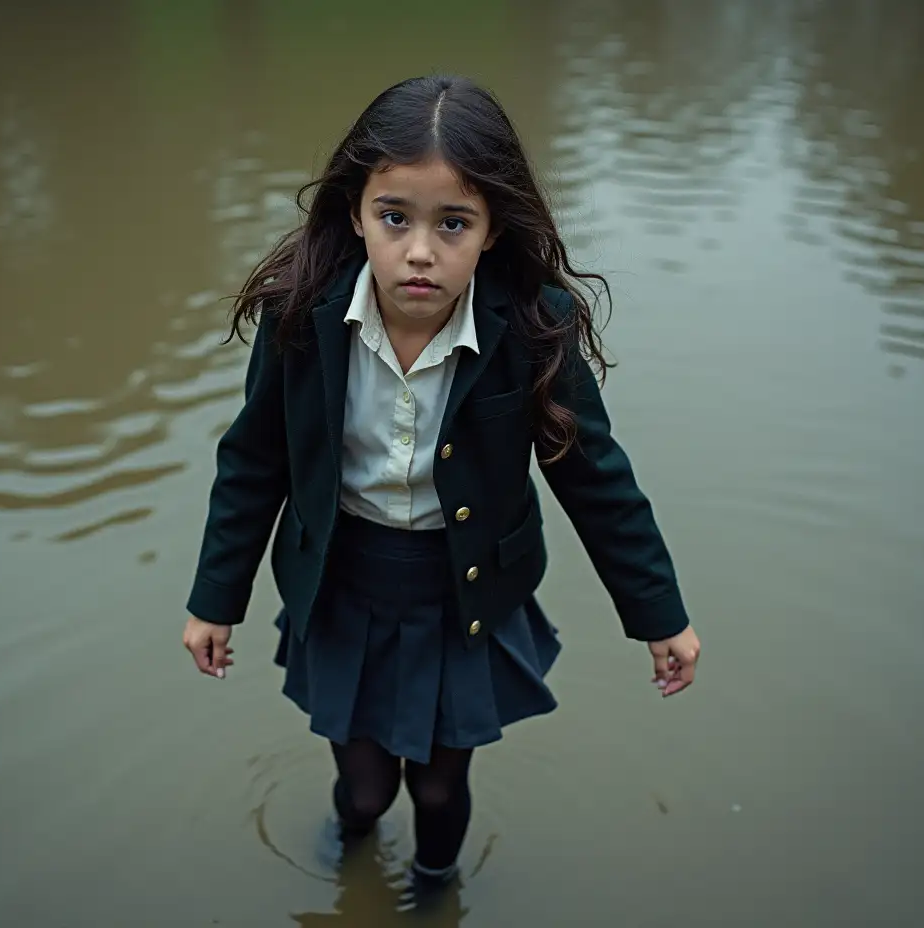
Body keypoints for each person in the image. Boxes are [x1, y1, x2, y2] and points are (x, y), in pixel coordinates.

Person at [182, 74, 701, 900]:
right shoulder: (301, 317)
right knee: (362, 786)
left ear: (492, 230)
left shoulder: (535, 327)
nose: (420, 250)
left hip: (464, 593)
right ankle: (353, 862)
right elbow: (253, 461)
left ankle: (433, 888)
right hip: (342, 584)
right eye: (396, 217)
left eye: (452, 223)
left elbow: (596, 478)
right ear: (357, 213)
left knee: (436, 787)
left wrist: (659, 615)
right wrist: (216, 597)